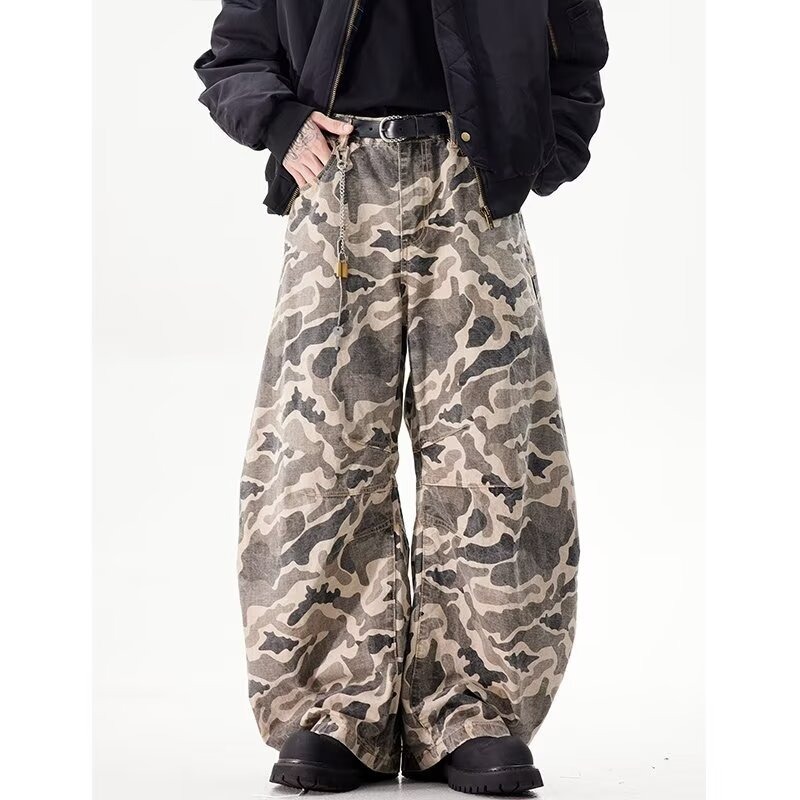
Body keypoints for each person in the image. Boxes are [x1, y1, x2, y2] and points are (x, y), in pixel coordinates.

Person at [195, 0, 608, 794]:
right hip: (337, 178)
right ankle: (335, 709)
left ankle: (474, 711)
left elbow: (576, 45)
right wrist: (280, 122)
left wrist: (540, 146)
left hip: (473, 184)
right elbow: (234, 52)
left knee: (493, 456)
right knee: (318, 456)